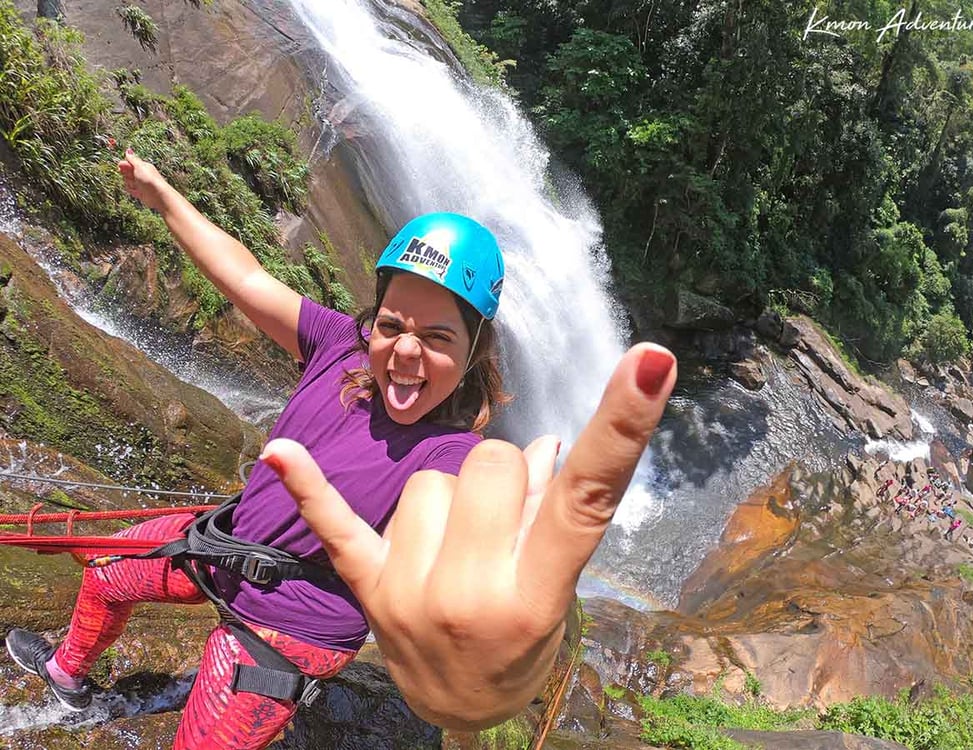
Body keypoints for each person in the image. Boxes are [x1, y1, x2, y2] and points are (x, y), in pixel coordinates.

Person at [5, 150, 678, 741]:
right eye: (393, 324)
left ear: (476, 352)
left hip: (292, 629)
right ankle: (69, 675)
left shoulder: (453, 459)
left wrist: (495, 666)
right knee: (104, 570)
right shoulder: (336, 347)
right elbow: (242, 275)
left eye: (438, 337)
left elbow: (464, 553)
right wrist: (163, 195)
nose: (406, 351)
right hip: (223, 546)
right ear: (373, 321)